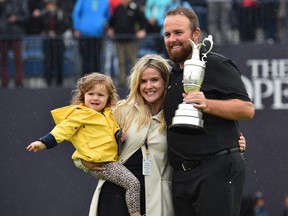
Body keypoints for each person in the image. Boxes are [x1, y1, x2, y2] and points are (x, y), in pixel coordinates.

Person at [74, 54, 248, 216]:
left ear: (166, 82)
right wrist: (83, 161)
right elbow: (85, 135)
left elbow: (201, 141)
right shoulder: (121, 110)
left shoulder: (177, 114)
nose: (148, 86)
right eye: (143, 81)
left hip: (157, 202)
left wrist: (235, 142)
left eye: (154, 80)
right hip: (115, 196)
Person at [162, 6, 255, 216]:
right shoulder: (170, 75)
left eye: (178, 33)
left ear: (196, 34)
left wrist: (208, 104)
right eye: (167, 34)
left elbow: (246, 109)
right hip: (180, 176)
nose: (172, 39)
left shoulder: (216, 64)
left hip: (216, 169)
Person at [26, 72, 141, 216]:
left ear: (108, 98)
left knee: (124, 187)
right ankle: (135, 214)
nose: (95, 98)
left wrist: (119, 135)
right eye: (91, 94)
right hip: (102, 163)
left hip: (108, 160)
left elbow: (109, 130)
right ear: (83, 96)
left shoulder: (108, 114)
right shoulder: (80, 115)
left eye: (100, 95)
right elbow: (62, 130)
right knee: (133, 184)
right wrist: (43, 143)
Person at [107, 0, 146, 87]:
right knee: (121, 61)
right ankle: (122, 83)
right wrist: (110, 29)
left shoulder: (134, 8)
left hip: (132, 40)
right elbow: (112, 22)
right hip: (120, 40)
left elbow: (142, 20)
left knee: (133, 61)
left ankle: (135, 82)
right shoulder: (118, 9)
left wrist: (142, 30)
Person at [72, 0, 110, 76]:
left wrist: (103, 23)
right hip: (84, 35)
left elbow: (107, 15)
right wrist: (77, 28)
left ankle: (96, 81)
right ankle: (85, 81)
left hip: (98, 35)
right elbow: (76, 13)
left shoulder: (105, 1)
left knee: (97, 59)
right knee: (85, 59)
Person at [0, 0, 29, 88]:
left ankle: (19, 82)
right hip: (3, 34)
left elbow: (26, 17)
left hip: (16, 34)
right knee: (3, 60)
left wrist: (16, 18)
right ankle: (4, 82)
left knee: (18, 59)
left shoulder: (19, 2)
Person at [40, 0, 69, 86]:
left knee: (59, 61)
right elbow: (41, 26)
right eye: (49, 5)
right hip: (48, 42)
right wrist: (47, 32)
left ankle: (59, 82)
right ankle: (48, 81)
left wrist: (57, 33)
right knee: (48, 61)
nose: (50, 7)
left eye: (52, 5)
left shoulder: (60, 14)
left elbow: (65, 25)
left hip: (58, 41)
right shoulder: (44, 14)